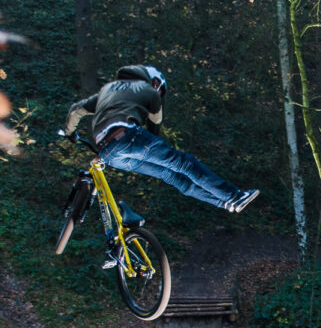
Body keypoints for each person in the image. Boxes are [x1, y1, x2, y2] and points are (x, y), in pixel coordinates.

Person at [64, 65, 260, 218]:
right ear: (155, 83)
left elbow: (75, 110)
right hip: (128, 138)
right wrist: (153, 135)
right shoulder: (146, 90)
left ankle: (222, 202)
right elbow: (155, 121)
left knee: (170, 175)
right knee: (183, 163)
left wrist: (70, 134)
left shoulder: (106, 94)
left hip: (110, 153)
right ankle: (233, 196)